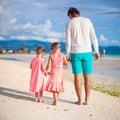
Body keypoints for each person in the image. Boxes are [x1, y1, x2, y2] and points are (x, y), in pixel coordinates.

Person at [66, 7, 100, 105]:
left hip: (75, 52)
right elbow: (94, 37)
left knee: (77, 77)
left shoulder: (69, 24)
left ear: (71, 14)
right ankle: (87, 100)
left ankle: (80, 100)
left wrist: (67, 55)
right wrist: (96, 51)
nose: (70, 19)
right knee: (87, 77)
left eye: (69, 17)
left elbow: (68, 41)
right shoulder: (87, 21)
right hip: (87, 52)